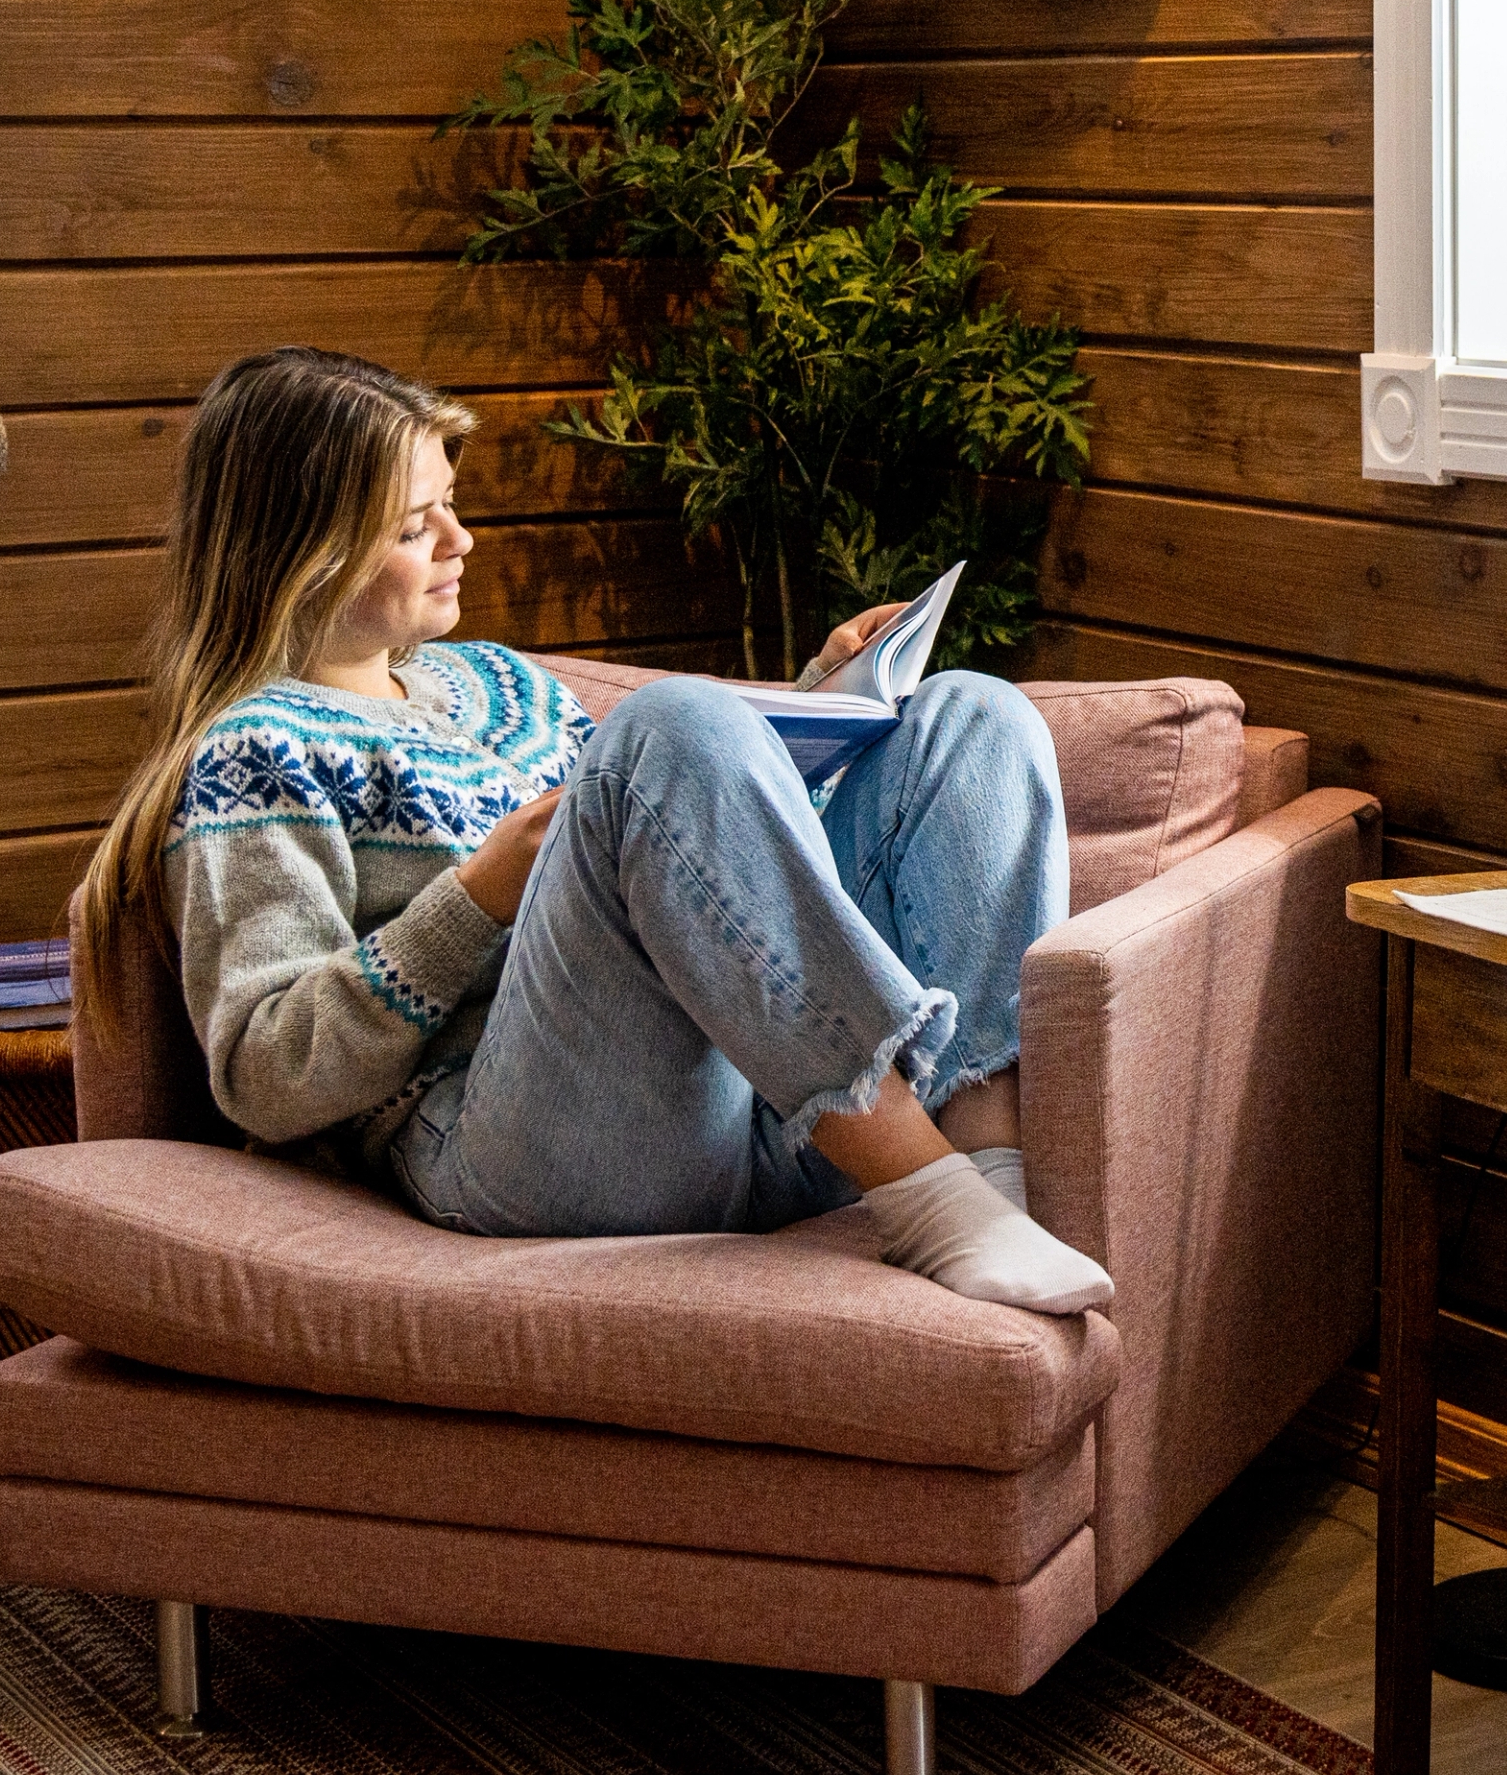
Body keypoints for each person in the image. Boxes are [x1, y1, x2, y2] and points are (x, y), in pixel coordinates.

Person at [73, 347, 1112, 1316]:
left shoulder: (498, 683)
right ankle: (932, 1201)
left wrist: (824, 706)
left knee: (971, 714)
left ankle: (985, 1162)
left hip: (739, 1108)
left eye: (451, 506)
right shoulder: (253, 755)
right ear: (298, 552)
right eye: (411, 527)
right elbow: (263, 1077)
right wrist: (474, 900)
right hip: (518, 1150)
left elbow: (683, 868)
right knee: (674, 724)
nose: (459, 542)